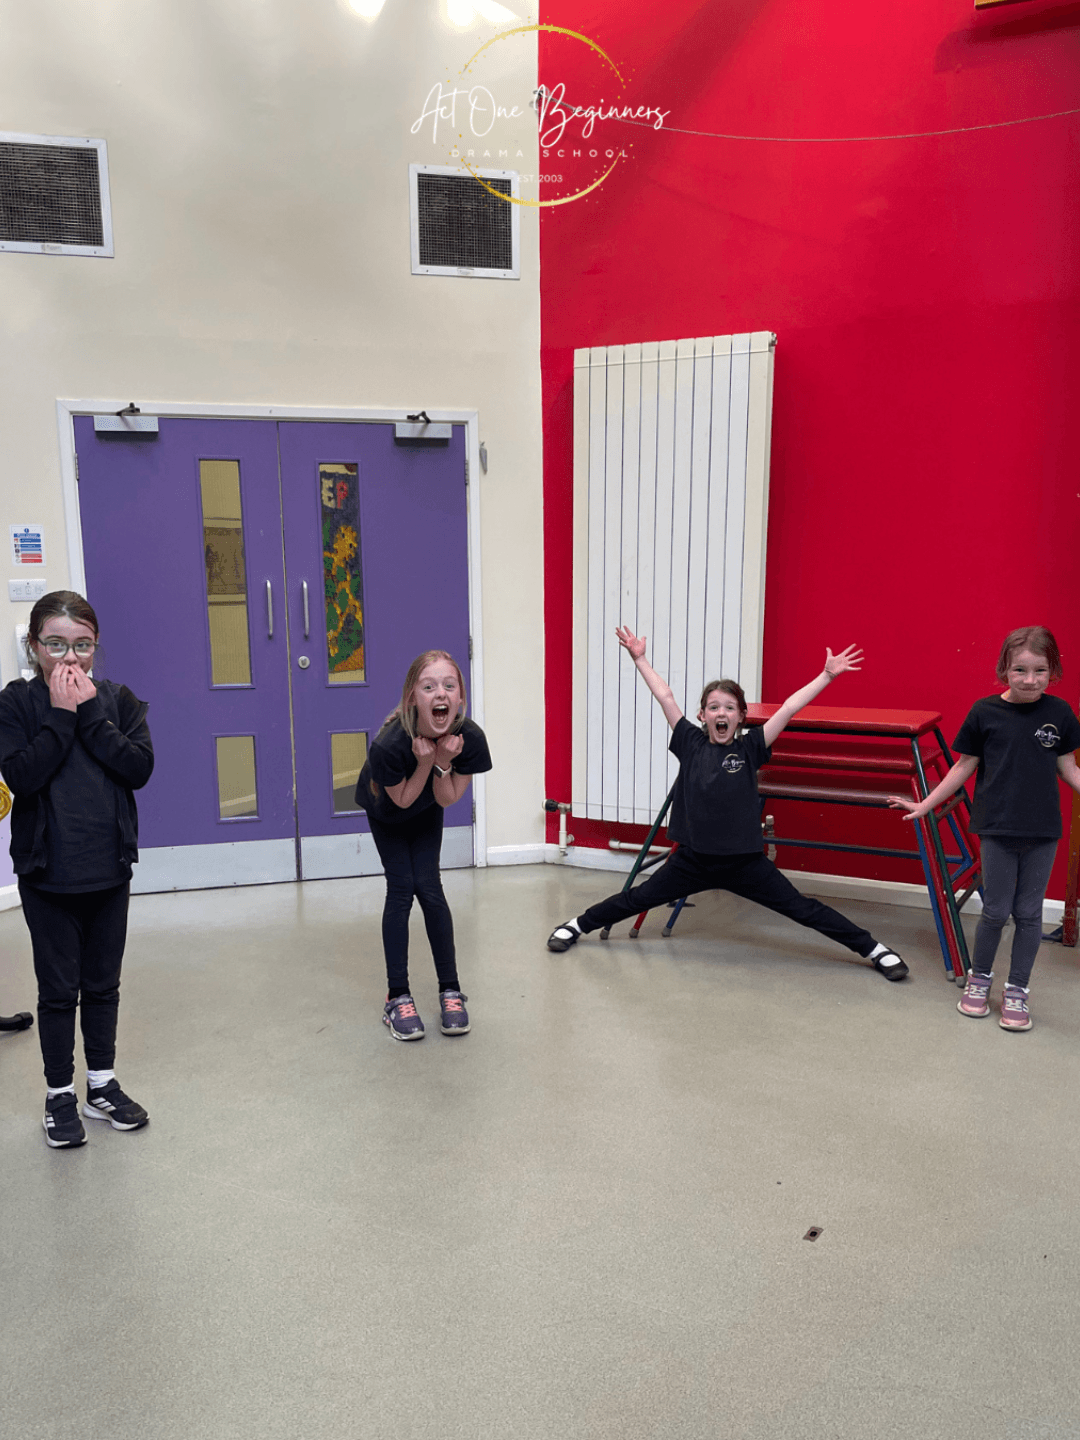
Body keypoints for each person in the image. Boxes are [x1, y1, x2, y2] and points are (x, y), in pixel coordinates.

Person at [547, 627, 908, 981]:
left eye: (730, 708)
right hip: (692, 861)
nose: (722, 713)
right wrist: (640, 659)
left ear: (741, 717)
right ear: (703, 715)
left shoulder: (750, 747)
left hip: (744, 863)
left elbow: (788, 708)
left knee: (803, 909)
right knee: (636, 898)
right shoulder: (690, 742)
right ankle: (576, 925)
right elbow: (666, 698)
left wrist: (826, 676)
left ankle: (874, 950)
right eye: (714, 707)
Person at [0, 591, 154, 1147]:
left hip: (109, 868)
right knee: (59, 989)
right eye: (56, 644)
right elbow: (23, 775)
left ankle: (101, 1084)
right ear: (35, 646)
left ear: (95, 646)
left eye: (82, 645)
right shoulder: (16, 703)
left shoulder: (118, 700)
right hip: (47, 876)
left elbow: (138, 768)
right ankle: (58, 1093)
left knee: (103, 984)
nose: (70, 658)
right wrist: (62, 716)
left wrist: (88, 710)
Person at [888, 625, 1080, 1031]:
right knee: (994, 911)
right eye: (1020, 671)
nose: (1030, 681)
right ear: (1004, 669)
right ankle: (979, 979)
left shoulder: (1060, 714)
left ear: (1054, 670)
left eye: (1040, 671)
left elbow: (1068, 769)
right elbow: (963, 766)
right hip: (995, 828)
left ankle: (1017, 991)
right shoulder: (984, 712)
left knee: (1029, 914)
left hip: (1043, 831)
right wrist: (925, 804)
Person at [355, 650, 491, 1040]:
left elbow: (446, 798)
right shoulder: (389, 744)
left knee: (429, 887)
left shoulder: (469, 738)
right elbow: (401, 800)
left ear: (460, 697)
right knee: (401, 888)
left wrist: (444, 763)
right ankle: (397, 996)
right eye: (428, 686)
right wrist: (425, 764)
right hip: (389, 808)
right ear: (413, 698)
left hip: (429, 801)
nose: (440, 693)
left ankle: (450, 989)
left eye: (449, 685)